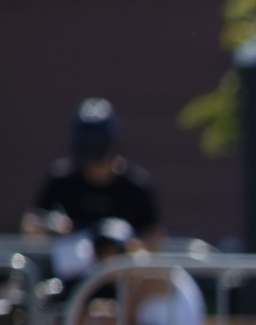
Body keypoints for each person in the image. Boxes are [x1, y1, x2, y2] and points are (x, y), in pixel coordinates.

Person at [26, 100, 164, 266]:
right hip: (67, 279)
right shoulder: (61, 178)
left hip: (121, 280)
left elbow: (154, 239)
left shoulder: (137, 185)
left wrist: (127, 248)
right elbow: (31, 224)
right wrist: (53, 227)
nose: (94, 166)